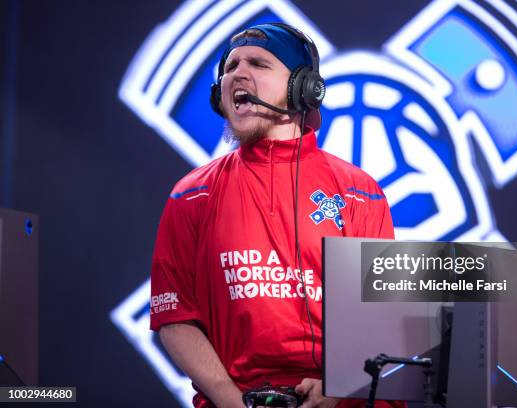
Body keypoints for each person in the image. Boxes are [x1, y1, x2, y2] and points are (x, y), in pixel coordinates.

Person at [150, 22, 397, 408]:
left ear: (304, 88)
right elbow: (175, 316)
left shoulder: (359, 192)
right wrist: (230, 400)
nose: (237, 75)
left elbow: (383, 314)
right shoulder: (191, 194)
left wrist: (337, 386)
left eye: (259, 64)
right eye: (230, 68)